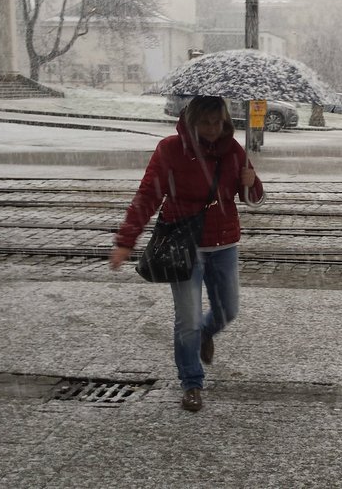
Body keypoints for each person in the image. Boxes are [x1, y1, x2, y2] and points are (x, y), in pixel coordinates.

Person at [109, 95, 264, 412]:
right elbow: (148, 194)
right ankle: (191, 383)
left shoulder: (232, 149)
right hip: (184, 245)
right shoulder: (170, 150)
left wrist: (253, 182)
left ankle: (207, 335)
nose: (211, 129)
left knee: (227, 311)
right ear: (191, 121)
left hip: (224, 245)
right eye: (205, 122)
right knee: (188, 321)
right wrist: (126, 240)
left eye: (217, 122)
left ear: (225, 122)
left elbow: (252, 198)